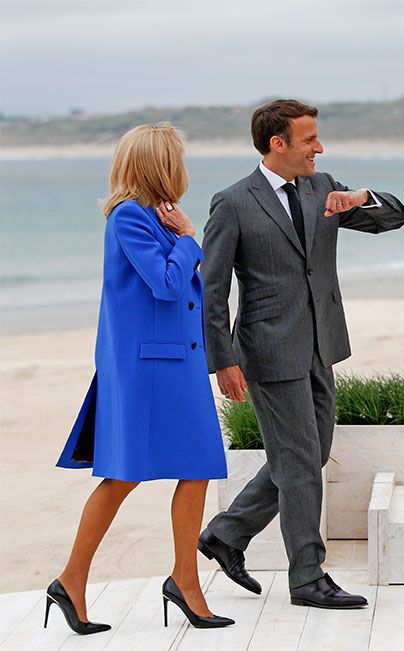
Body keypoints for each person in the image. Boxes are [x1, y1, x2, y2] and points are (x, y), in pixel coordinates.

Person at [199, 99, 404, 609]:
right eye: (310, 139)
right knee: (298, 465)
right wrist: (222, 360)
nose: (320, 147)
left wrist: (362, 197)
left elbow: (394, 219)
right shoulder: (233, 202)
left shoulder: (323, 186)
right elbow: (211, 289)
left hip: (323, 344)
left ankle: (226, 532)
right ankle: (307, 577)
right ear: (279, 144)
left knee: (306, 457)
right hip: (268, 350)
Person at [51, 124, 233, 635]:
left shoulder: (156, 216)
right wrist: (189, 238)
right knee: (124, 474)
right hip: (148, 370)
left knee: (197, 467)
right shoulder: (129, 217)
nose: (183, 167)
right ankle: (71, 580)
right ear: (159, 164)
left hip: (179, 365)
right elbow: (168, 285)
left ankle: (185, 581)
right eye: (176, 157)